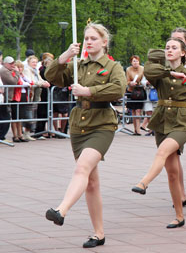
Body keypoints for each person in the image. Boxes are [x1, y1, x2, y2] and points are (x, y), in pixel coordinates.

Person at [44, 23, 127, 248]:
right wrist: (63, 57)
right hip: (79, 124)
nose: (89, 42)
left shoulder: (112, 66)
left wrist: (89, 91)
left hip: (102, 124)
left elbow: (119, 89)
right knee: (90, 182)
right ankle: (98, 234)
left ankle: (61, 210)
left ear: (104, 42)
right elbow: (53, 78)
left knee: (82, 168)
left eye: (93, 38)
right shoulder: (77, 64)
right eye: (86, 38)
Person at [131, 38, 186, 228]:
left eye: (174, 48)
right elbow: (148, 66)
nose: (169, 50)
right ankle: (179, 216)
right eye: (167, 48)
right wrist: (169, 68)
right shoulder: (159, 72)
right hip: (162, 121)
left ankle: (144, 183)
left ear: (183, 53)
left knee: (162, 152)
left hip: (182, 122)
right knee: (172, 173)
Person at [0, 56, 20, 145]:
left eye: (13, 63)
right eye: (11, 63)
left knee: (5, 116)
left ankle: (2, 136)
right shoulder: (4, 71)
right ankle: (1, 136)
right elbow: (13, 82)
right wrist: (17, 72)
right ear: (6, 63)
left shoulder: (6, 70)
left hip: (6, 97)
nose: (13, 65)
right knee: (5, 117)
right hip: (4, 98)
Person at [34, 53, 54, 138]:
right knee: (41, 112)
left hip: (48, 94)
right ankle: (40, 131)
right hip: (43, 93)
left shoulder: (49, 70)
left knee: (47, 113)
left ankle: (46, 130)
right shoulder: (42, 70)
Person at [126, 55, 145, 135]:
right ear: (131, 62)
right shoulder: (128, 69)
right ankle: (135, 129)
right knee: (133, 111)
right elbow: (127, 81)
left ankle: (138, 129)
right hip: (131, 91)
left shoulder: (142, 69)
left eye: (137, 61)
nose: (135, 62)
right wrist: (131, 83)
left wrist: (139, 83)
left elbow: (144, 79)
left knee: (138, 110)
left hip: (140, 91)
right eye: (134, 61)